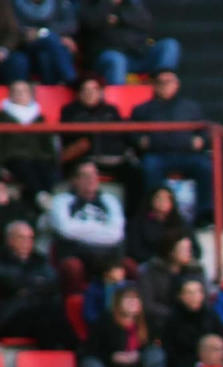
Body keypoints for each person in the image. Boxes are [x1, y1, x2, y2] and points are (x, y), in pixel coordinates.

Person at [131, 70, 213, 223]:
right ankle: (154, 214)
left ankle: (205, 214)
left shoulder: (191, 107)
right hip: (157, 155)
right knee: (148, 167)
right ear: (154, 86)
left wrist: (202, 140)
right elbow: (130, 132)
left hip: (187, 154)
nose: (165, 86)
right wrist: (139, 140)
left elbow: (206, 130)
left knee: (205, 167)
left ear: (177, 85)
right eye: (160, 83)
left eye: (169, 82)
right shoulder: (142, 109)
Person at [80, 286, 167, 367]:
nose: (133, 302)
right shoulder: (105, 321)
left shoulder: (146, 321)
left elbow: (150, 346)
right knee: (89, 363)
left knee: (156, 353)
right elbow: (91, 350)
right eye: (128, 299)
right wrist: (113, 356)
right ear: (118, 301)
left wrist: (138, 355)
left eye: (136, 299)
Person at [60, 74, 140, 199]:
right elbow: (67, 138)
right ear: (79, 93)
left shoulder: (111, 110)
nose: (90, 93)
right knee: (84, 173)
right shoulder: (69, 112)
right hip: (86, 158)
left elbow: (124, 133)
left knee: (136, 173)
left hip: (115, 158)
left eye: (94, 90)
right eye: (86, 90)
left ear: (100, 92)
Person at [50, 160, 125, 282]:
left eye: (94, 175)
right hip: (76, 253)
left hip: (107, 254)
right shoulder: (61, 201)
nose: (91, 179)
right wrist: (101, 227)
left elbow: (116, 234)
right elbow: (66, 230)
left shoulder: (110, 200)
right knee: (73, 266)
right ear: (75, 180)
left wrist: (82, 230)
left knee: (128, 266)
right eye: (86, 175)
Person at [0, 220, 67, 346]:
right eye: (21, 238)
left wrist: (26, 289)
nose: (26, 243)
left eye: (30, 238)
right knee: (46, 314)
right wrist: (35, 285)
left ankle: (69, 354)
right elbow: (9, 282)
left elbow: (52, 285)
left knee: (54, 311)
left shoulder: (40, 261)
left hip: (38, 314)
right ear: (9, 239)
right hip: (10, 318)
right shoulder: (3, 261)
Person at [81, 0, 180, 85]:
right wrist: (109, 3)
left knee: (170, 45)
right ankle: (118, 100)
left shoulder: (132, 3)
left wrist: (119, 18)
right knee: (117, 60)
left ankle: (160, 86)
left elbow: (146, 22)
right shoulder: (93, 3)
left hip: (138, 54)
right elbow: (90, 22)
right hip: (109, 56)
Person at [0, 80, 58, 205]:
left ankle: (44, 199)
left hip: (40, 158)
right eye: (17, 91)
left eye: (24, 91)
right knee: (25, 166)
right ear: (10, 95)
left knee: (46, 169)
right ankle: (42, 198)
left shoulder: (39, 118)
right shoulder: (2, 117)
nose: (20, 94)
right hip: (13, 159)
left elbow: (48, 144)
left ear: (30, 94)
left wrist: (52, 159)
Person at [163, 277, 223, 367]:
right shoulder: (172, 318)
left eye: (198, 292)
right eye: (189, 293)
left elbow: (219, 339)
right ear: (180, 296)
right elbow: (170, 350)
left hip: (212, 364)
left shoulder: (211, 315)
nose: (194, 296)